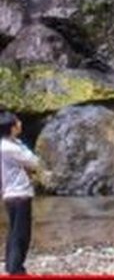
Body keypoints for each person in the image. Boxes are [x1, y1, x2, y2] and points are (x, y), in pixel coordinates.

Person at [0, 111, 40, 275]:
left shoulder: (6, 145)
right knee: (21, 234)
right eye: (17, 122)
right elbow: (34, 162)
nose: (20, 124)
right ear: (11, 127)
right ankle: (16, 269)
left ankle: (11, 265)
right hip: (20, 193)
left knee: (14, 231)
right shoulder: (10, 148)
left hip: (9, 193)